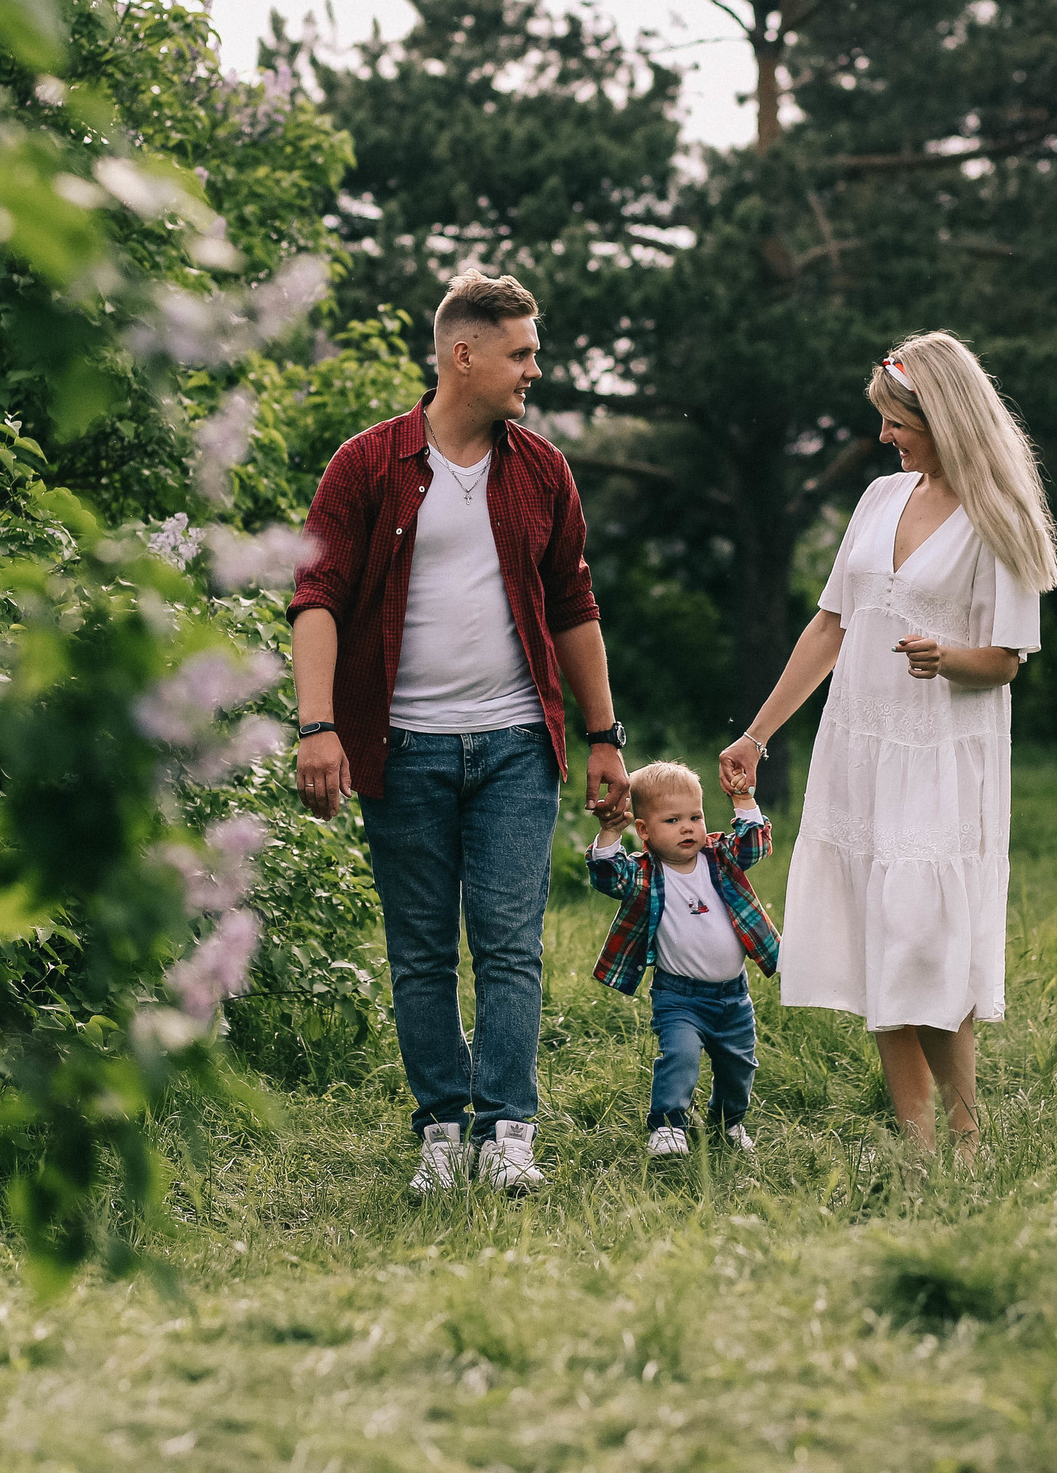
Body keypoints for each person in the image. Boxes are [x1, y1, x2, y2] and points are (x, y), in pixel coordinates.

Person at [288, 269, 631, 1194]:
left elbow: (574, 604)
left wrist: (606, 736)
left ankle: (507, 1129)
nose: (533, 370)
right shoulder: (366, 465)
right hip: (402, 748)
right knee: (421, 949)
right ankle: (443, 1126)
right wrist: (318, 726)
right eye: (520, 353)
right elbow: (314, 597)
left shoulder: (543, 470)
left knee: (512, 940)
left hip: (517, 744)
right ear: (462, 354)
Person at [718, 332, 1057, 1160]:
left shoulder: (999, 515)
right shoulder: (878, 501)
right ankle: (917, 1147)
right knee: (882, 944)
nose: (883, 437)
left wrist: (947, 659)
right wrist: (759, 733)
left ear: (941, 415)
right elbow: (832, 624)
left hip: (944, 755)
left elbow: (1009, 658)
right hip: (860, 744)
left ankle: (969, 1135)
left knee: (923, 941)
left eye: (896, 420)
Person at [587, 761, 779, 1157]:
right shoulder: (644, 873)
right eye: (672, 820)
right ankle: (668, 1126)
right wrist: (609, 831)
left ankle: (728, 1122)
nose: (688, 827)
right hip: (680, 998)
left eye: (695, 816)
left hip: (734, 997)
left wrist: (742, 799)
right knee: (679, 1056)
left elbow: (754, 846)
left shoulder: (718, 858)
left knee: (739, 1066)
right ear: (644, 831)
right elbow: (607, 876)